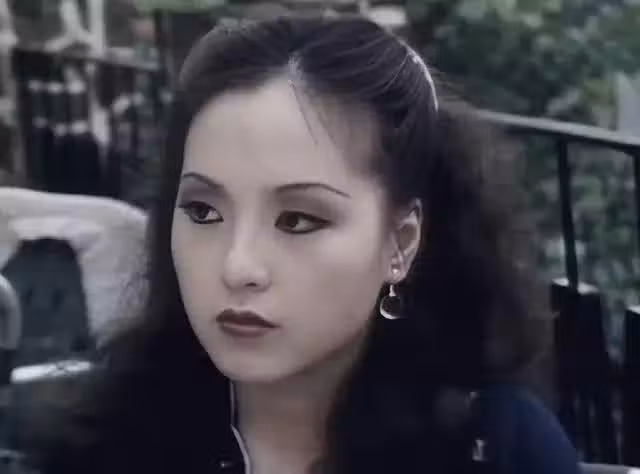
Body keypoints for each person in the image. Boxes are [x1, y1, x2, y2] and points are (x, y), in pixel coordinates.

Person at [26, 16, 582, 474]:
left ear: (401, 242)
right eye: (203, 212)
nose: (238, 265)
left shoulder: (493, 449)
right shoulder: (104, 448)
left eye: (297, 220)